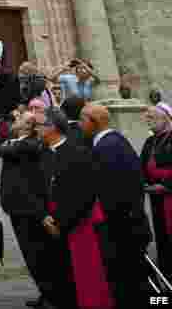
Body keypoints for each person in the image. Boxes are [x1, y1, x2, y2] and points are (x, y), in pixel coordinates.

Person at [80, 103, 151, 309]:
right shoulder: (114, 141)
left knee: (132, 284)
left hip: (122, 227)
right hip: (128, 223)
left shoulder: (107, 146)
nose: (81, 125)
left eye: (83, 120)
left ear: (94, 122)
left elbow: (115, 190)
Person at [38, 107, 110, 309]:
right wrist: (44, 216)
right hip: (51, 222)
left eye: (41, 125)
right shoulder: (43, 153)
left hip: (76, 223)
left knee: (85, 274)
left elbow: (84, 193)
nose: (38, 129)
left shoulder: (77, 152)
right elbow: (39, 188)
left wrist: (60, 222)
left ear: (53, 127)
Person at [0, 111, 55, 309]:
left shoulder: (28, 144)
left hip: (27, 209)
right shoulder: (20, 141)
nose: (15, 120)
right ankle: (45, 293)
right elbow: (1, 142)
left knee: (36, 254)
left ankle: (50, 296)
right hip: (19, 207)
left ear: (28, 125)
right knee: (31, 254)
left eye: (19, 118)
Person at [141, 103, 172, 279]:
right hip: (156, 198)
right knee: (162, 238)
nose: (147, 120)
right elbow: (141, 167)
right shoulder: (150, 141)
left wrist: (166, 185)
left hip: (169, 194)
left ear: (166, 117)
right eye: (147, 117)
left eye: (152, 117)